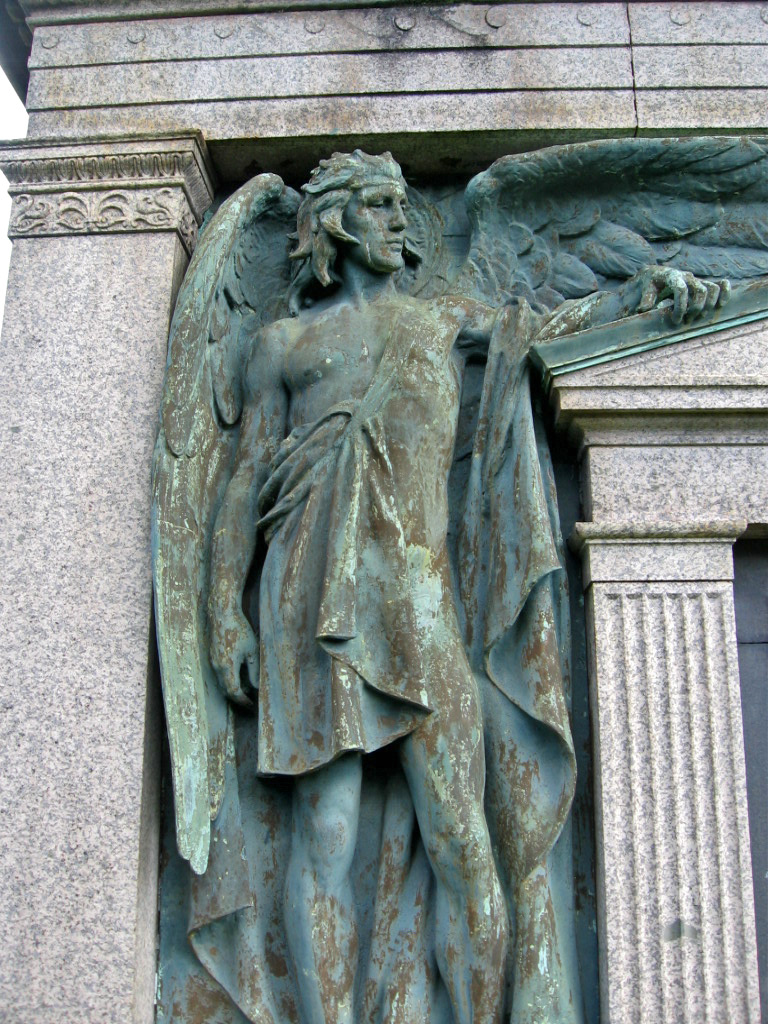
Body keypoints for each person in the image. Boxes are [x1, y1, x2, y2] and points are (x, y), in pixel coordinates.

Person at [205, 150, 724, 1024]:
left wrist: (640, 294)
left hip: (416, 597)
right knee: (324, 835)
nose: (399, 219)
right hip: (303, 595)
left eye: (402, 203)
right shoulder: (282, 345)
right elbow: (243, 485)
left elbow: (547, 322)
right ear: (334, 222)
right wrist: (224, 611)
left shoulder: (440, 316)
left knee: (459, 833)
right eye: (377, 204)